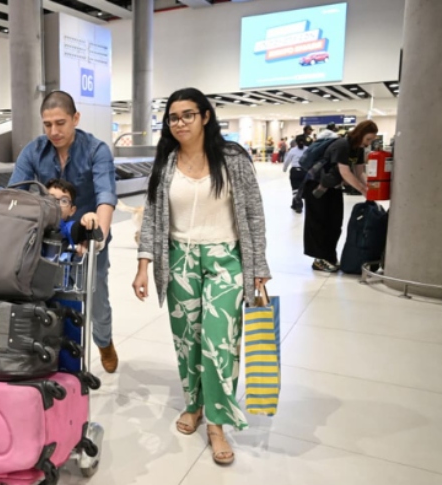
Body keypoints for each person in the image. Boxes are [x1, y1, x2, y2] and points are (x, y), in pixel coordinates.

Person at [131, 88, 271, 465]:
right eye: (173, 117)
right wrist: (144, 265)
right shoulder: (166, 162)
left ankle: (217, 422)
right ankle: (193, 404)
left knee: (218, 340)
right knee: (187, 340)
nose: (180, 123)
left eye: (188, 115)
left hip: (227, 259)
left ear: (205, 116)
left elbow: (254, 213)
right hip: (179, 259)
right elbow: (153, 217)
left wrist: (258, 267)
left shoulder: (233, 158)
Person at [8, 90, 118, 373]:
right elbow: (16, 193)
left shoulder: (96, 150)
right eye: (47, 124)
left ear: (75, 118)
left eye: (60, 123)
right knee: (45, 296)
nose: (54, 131)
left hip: (88, 237)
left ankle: (104, 341)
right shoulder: (33, 151)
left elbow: (106, 196)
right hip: (48, 239)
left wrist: (98, 239)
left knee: (96, 298)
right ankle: (51, 352)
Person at [303, 120, 378, 272]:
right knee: (319, 224)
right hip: (317, 187)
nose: (369, 143)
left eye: (371, 140)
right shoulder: (342, 145)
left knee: (335, 224)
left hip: (333, 187)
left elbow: (359, 172)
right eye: (368, 139)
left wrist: (369, 188)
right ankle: (319, 260)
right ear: (360, 134)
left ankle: (329, 257)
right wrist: (363, 190)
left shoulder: (358, 149)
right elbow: (345, 172)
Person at [0, 178, 99, 254]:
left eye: (63, 201)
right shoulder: (28, 220)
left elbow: (77, 230)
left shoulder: (65, 228)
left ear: (72, 210)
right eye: (51, 198)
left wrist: (87, 220)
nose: (56, 204)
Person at [283, 134, 310, 213]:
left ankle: (298, 205)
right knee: (302, 188)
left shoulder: (293, 150)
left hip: (295, 171)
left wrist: (284, 169)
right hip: (305, 171)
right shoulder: (308, 149)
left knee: (295, 189)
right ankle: (294, 204)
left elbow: (287, 161)